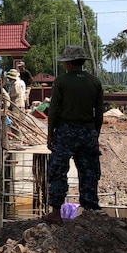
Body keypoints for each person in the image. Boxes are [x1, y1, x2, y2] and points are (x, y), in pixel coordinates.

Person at [44, 45, 104, 224]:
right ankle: (90, 211)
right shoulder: (94, 82)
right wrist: (95, 133)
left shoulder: (61, 82)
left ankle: (56, 212)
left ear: (69, 63)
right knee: (89, 172)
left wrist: (50, 134)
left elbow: (53, 110)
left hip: (65, 132)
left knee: (58, 171)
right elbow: (99, 113)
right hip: (88, 132)